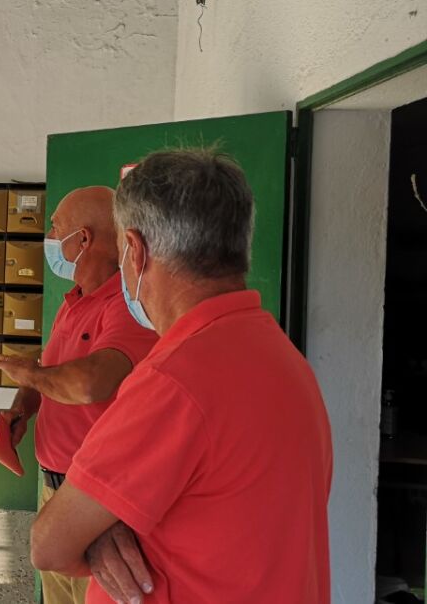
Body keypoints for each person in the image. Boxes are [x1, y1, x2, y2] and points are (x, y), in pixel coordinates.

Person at [30, 151, 333, 603]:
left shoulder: (175, 379)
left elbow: (49, 544)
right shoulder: (283, 358)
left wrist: (91, 534)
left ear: (135, 250)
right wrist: (101, 528)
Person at [0, 186, 158, 604]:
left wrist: (31, 373)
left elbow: (90, 383)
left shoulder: (127, 306)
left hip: (96, 499)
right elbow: (53, 371)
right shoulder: (73, 302)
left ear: (82, 239)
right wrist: (24, 404)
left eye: (54, 228)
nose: (48, 237)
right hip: (55, 489)